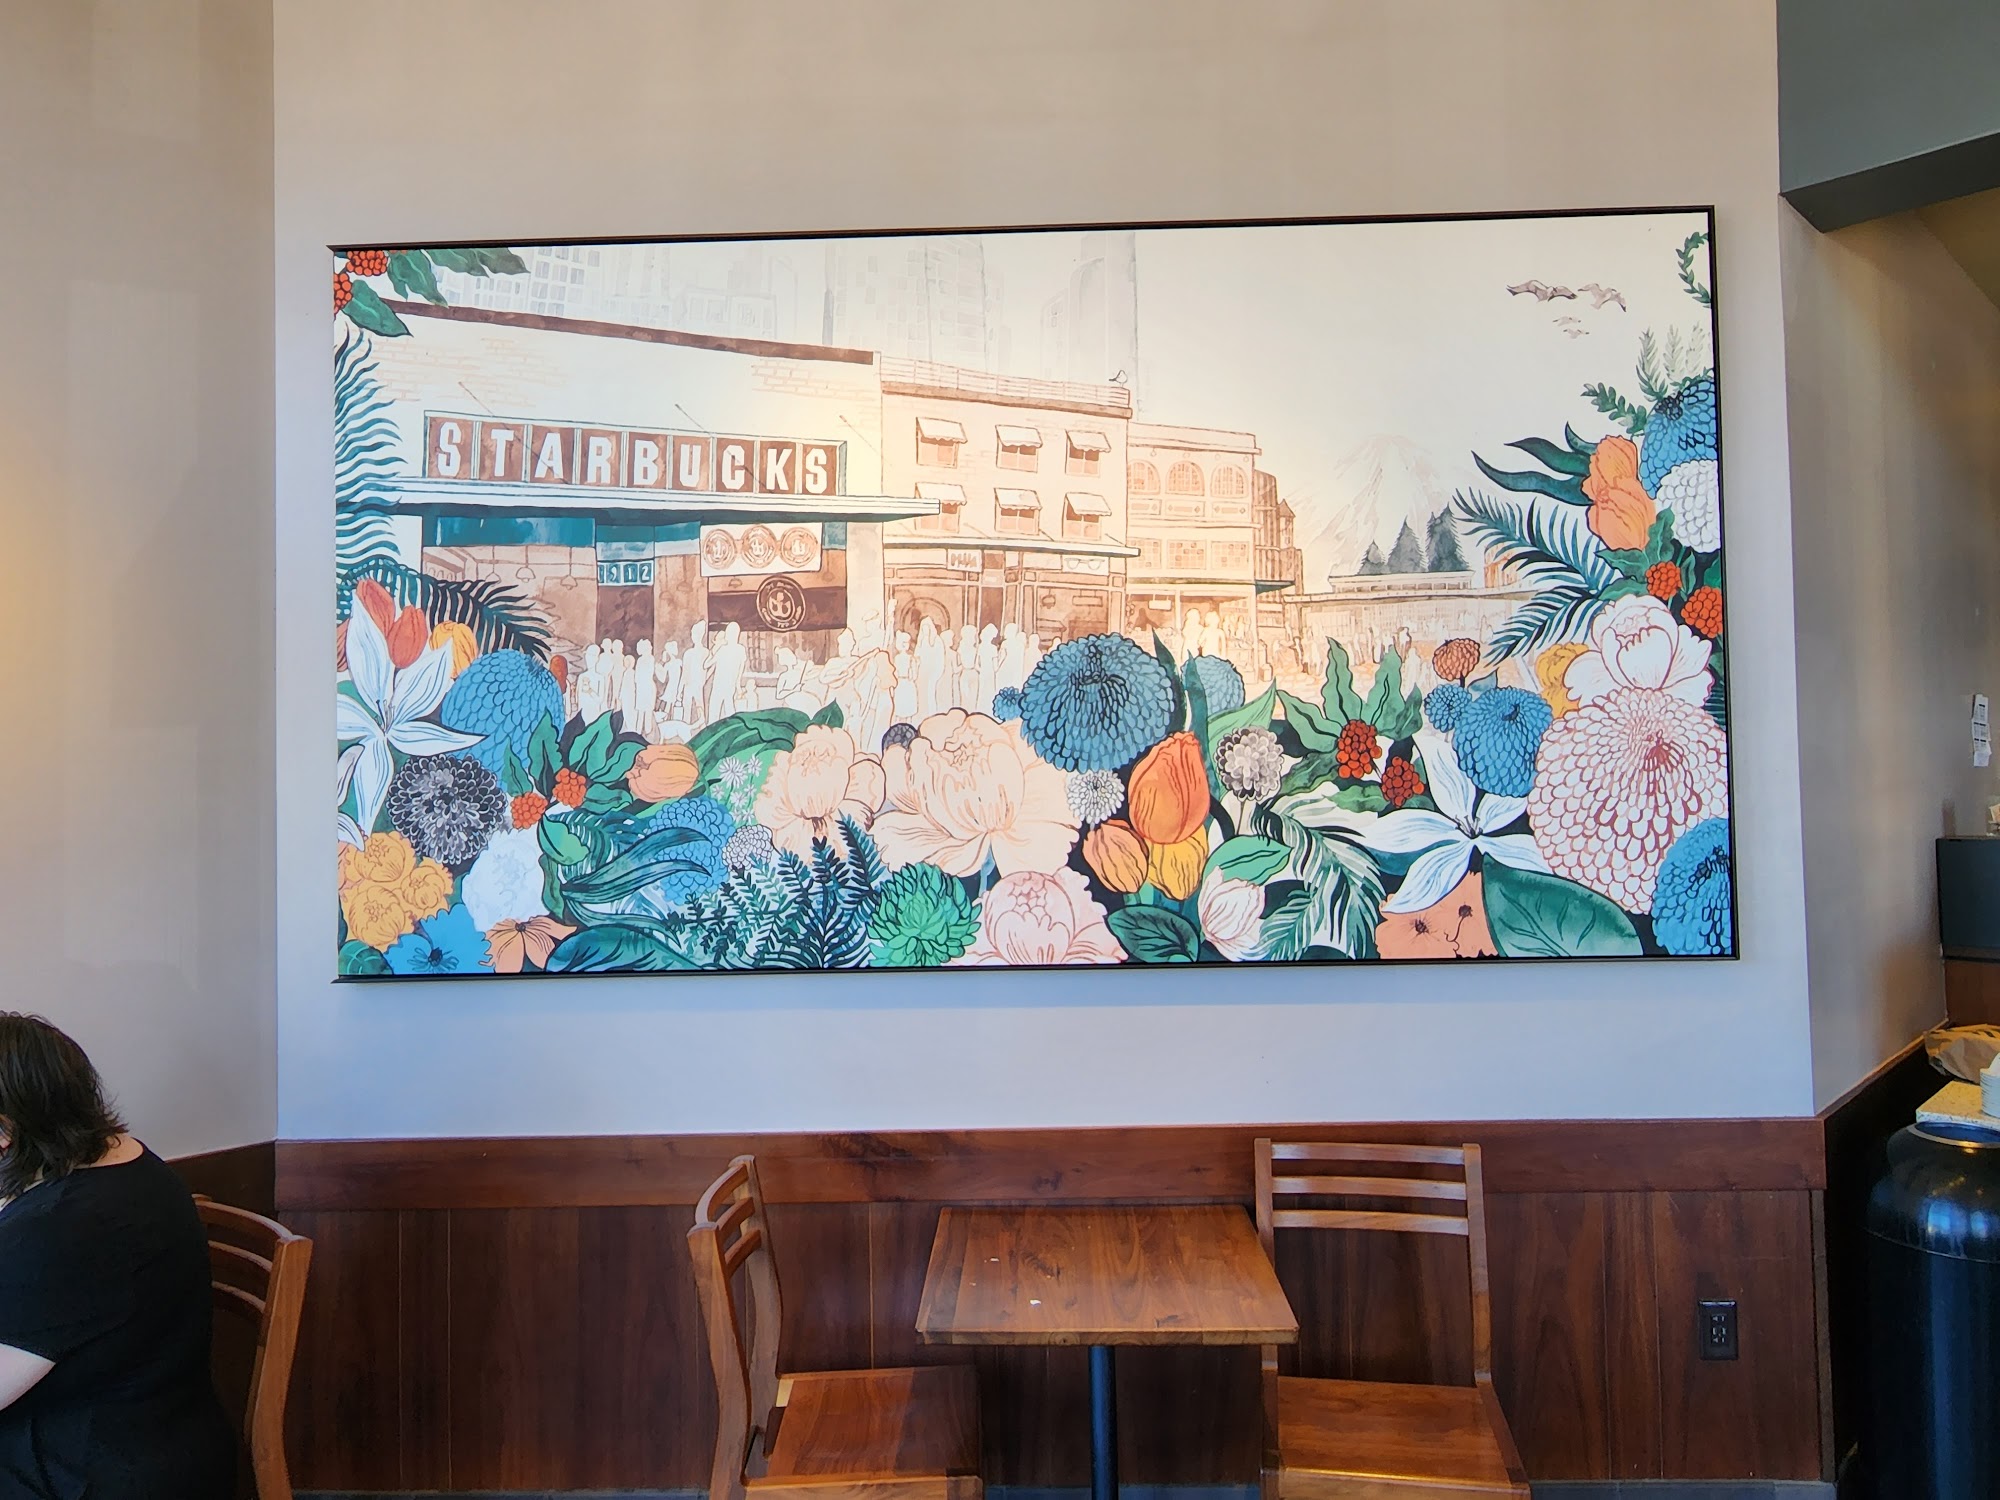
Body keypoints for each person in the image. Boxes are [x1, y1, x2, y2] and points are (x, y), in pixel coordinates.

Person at [0, 1014, 235, 1499]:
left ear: (7, 1132)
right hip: (159, 1431)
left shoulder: (60, 1229)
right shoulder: (122, 1161)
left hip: (94, 1470)